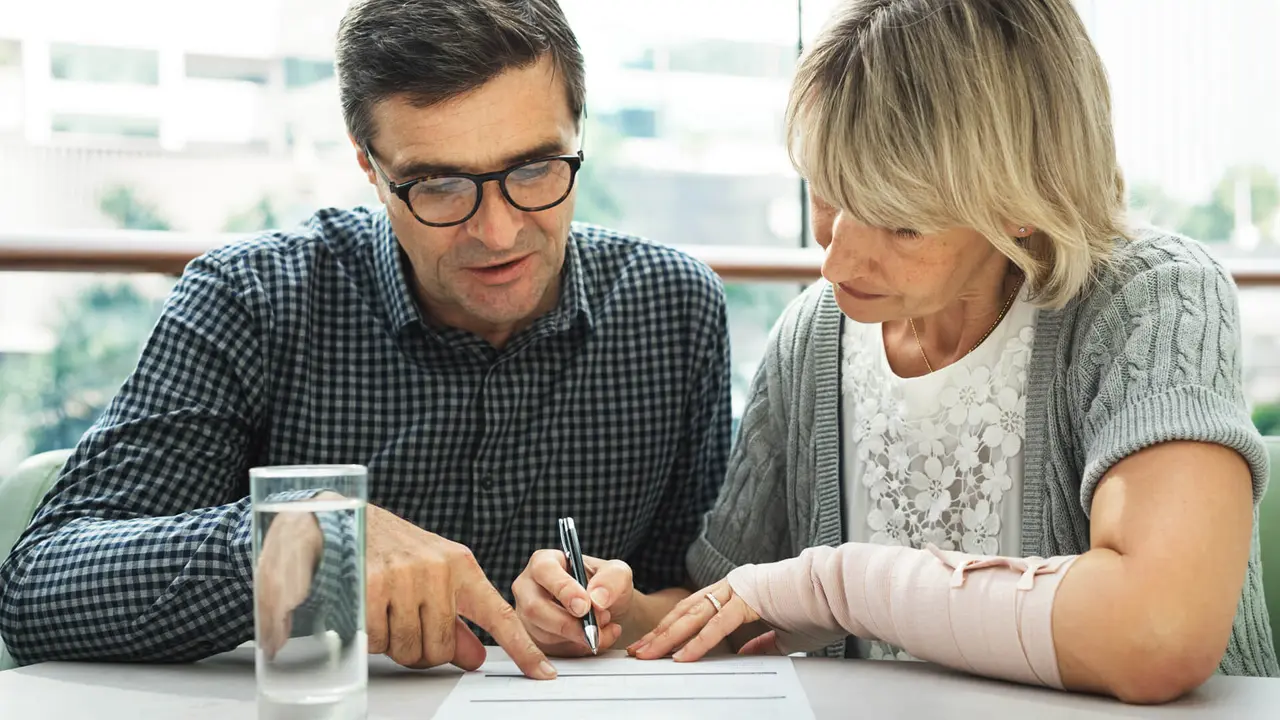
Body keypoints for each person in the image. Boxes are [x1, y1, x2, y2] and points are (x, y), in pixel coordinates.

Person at [0, 0, 731, 679]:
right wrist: (305, 535)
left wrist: (617, 613)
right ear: (370, 168)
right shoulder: (251, 301)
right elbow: (35, 591)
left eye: (536, 169)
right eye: (439, 185)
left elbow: (697, 594)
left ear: (580, 132)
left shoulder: (674, 308)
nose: (498, 232)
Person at [628, 0, 1278, 705]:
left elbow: (1158, 631)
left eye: (900, 223)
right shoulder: (809, 339)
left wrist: (837, 585)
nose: (836, 260)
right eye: (828, 194)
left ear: (1024, 196)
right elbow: (729, 614)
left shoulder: (1152, 298)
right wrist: (614, 616)